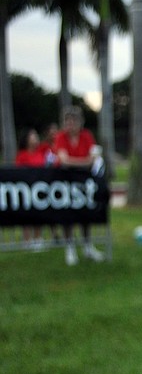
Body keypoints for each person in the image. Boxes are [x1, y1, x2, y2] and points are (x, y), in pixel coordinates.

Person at [54, 106, 104, 265]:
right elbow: (63, 160)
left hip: (83, 184)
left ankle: (88, 246)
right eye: (67, 121)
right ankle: (70, 247)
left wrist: (75, 163)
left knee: (85, 214)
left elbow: (93, 159)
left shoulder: (87, 136)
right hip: (65, 183)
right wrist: (83, 163)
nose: (70, 124)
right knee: (68, 215)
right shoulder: (61, 137)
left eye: (73, 121)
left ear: (80, 122)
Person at [14, 128, 52, 250]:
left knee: (38, 214)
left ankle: (38, 238)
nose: (35, 138)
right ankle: (27, 240)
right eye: (32, 136)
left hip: (39, 189)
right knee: (26, 215)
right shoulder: (22, 155)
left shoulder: (41, 151)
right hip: (26, 189)